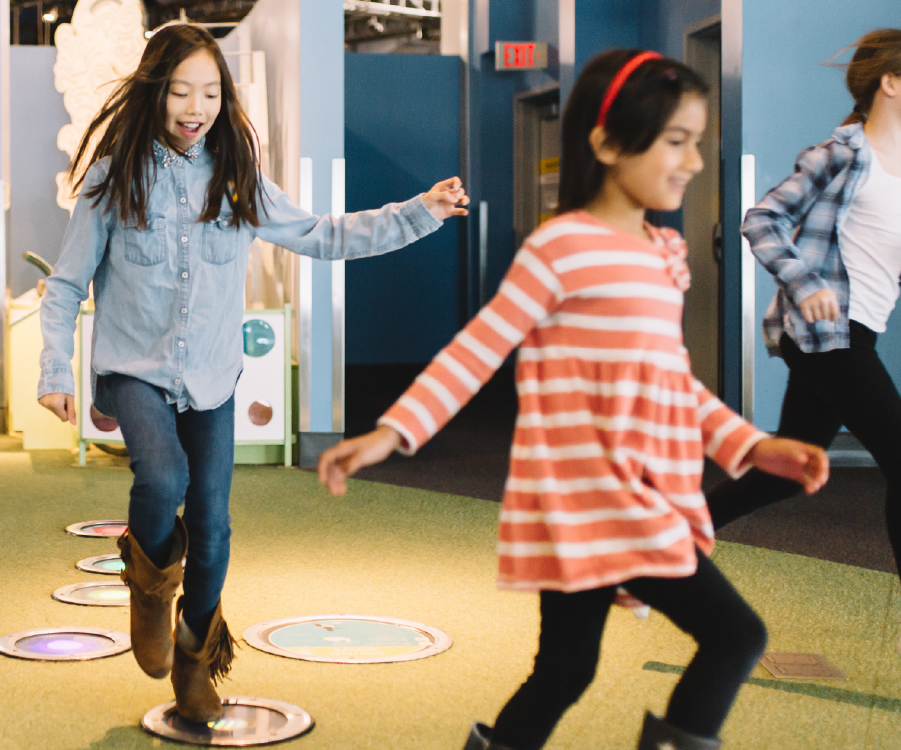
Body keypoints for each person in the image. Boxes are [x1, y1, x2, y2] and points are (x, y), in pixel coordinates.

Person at [318, 50, 830, 750]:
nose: (693, 161)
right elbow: (478, 348)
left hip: (628, 492)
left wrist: (752, 444)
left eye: (696, 143)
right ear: (607, 142)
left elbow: (671, 381)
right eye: (675, 141)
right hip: (595, 498)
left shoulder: (658, 251)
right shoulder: (559, 246)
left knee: (563, 671)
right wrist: (391, 432)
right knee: (735, 635)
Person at [35, 24, 468, 723]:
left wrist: (419, 213)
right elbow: (65, 285)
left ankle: (194, 657)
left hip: (210, 374)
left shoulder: (236, 177)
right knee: (163, 477)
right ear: (154, 92)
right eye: (179, 90)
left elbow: (323, 235)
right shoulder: (114, 175)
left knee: (211, 525)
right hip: (132, 369)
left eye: (208, 91)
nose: (194, 106)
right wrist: (54, 368)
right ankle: (148, 586)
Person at [705, 29, 901, 683]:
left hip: (857, 330)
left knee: (789, 469)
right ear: (890, 82)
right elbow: (760, 219)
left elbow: (899, 264)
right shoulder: (840, 153)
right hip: (824, 332)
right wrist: (805, 283)